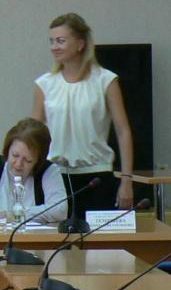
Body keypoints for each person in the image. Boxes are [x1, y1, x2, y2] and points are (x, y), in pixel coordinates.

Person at [31, 13, 134, 217]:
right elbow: (33, 135)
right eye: (51, 41)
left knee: (98, 246)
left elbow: (123, 131)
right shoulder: (44, 84)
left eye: (61, 41)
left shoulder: (105, 80)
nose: (54, 47)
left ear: (80, 44)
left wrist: (126, 179)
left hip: (96, 176)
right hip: (55, 176)